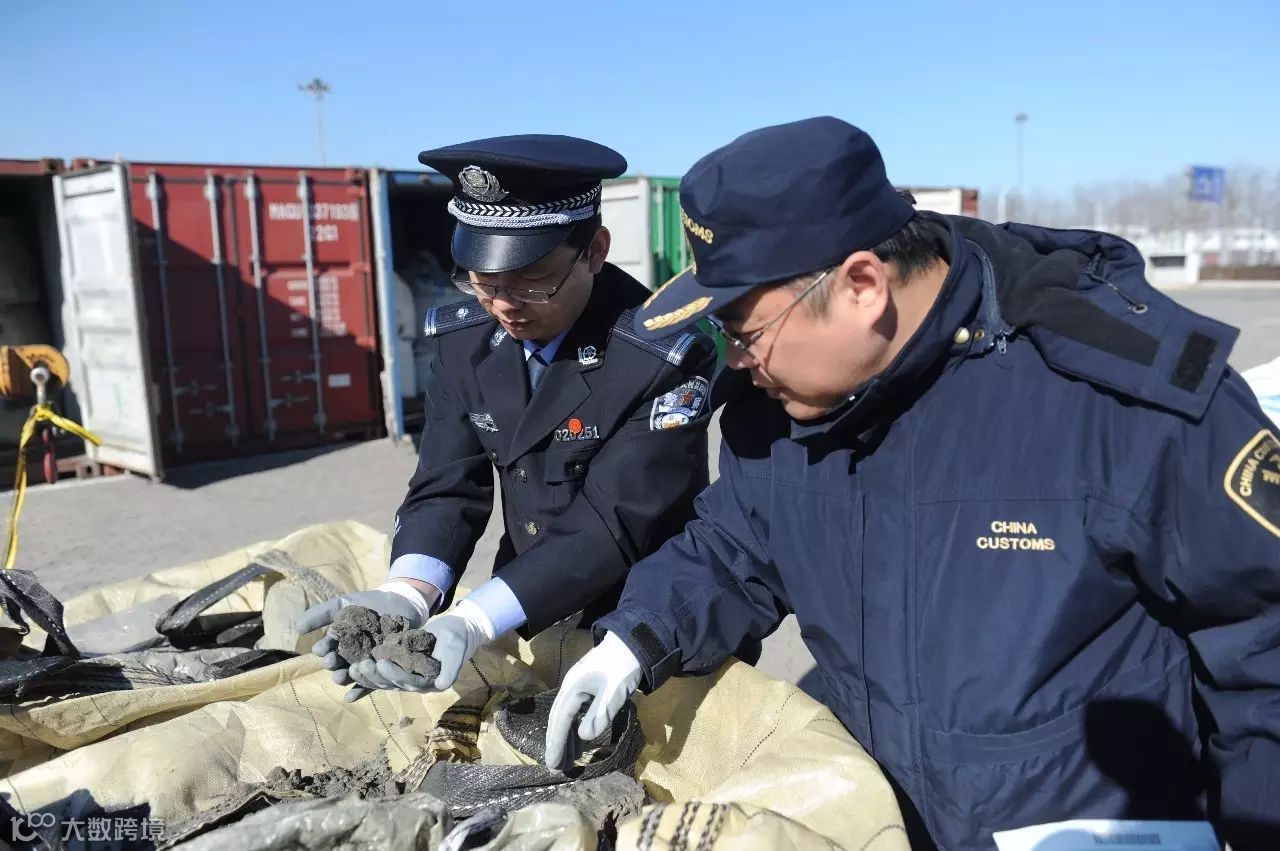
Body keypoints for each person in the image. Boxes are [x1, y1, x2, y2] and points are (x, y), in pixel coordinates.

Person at [543, 117, 1280, 850]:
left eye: (744, 330)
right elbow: (737, 543)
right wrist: (637, 637)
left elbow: (1262, 642)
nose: (735, 360)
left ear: (863, 285)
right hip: (879, 822)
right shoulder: (780, 406)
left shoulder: (1120, 401)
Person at [296, 134, 717, 701]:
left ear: (595, 251)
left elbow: (611, 523)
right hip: (523, 607)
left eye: (532, 279)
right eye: (483, 279)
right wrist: (409, 592)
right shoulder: (465, 340)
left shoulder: (659, 355)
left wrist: (474, 620)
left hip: (649, 622)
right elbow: (446, 484)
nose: (503, 304)